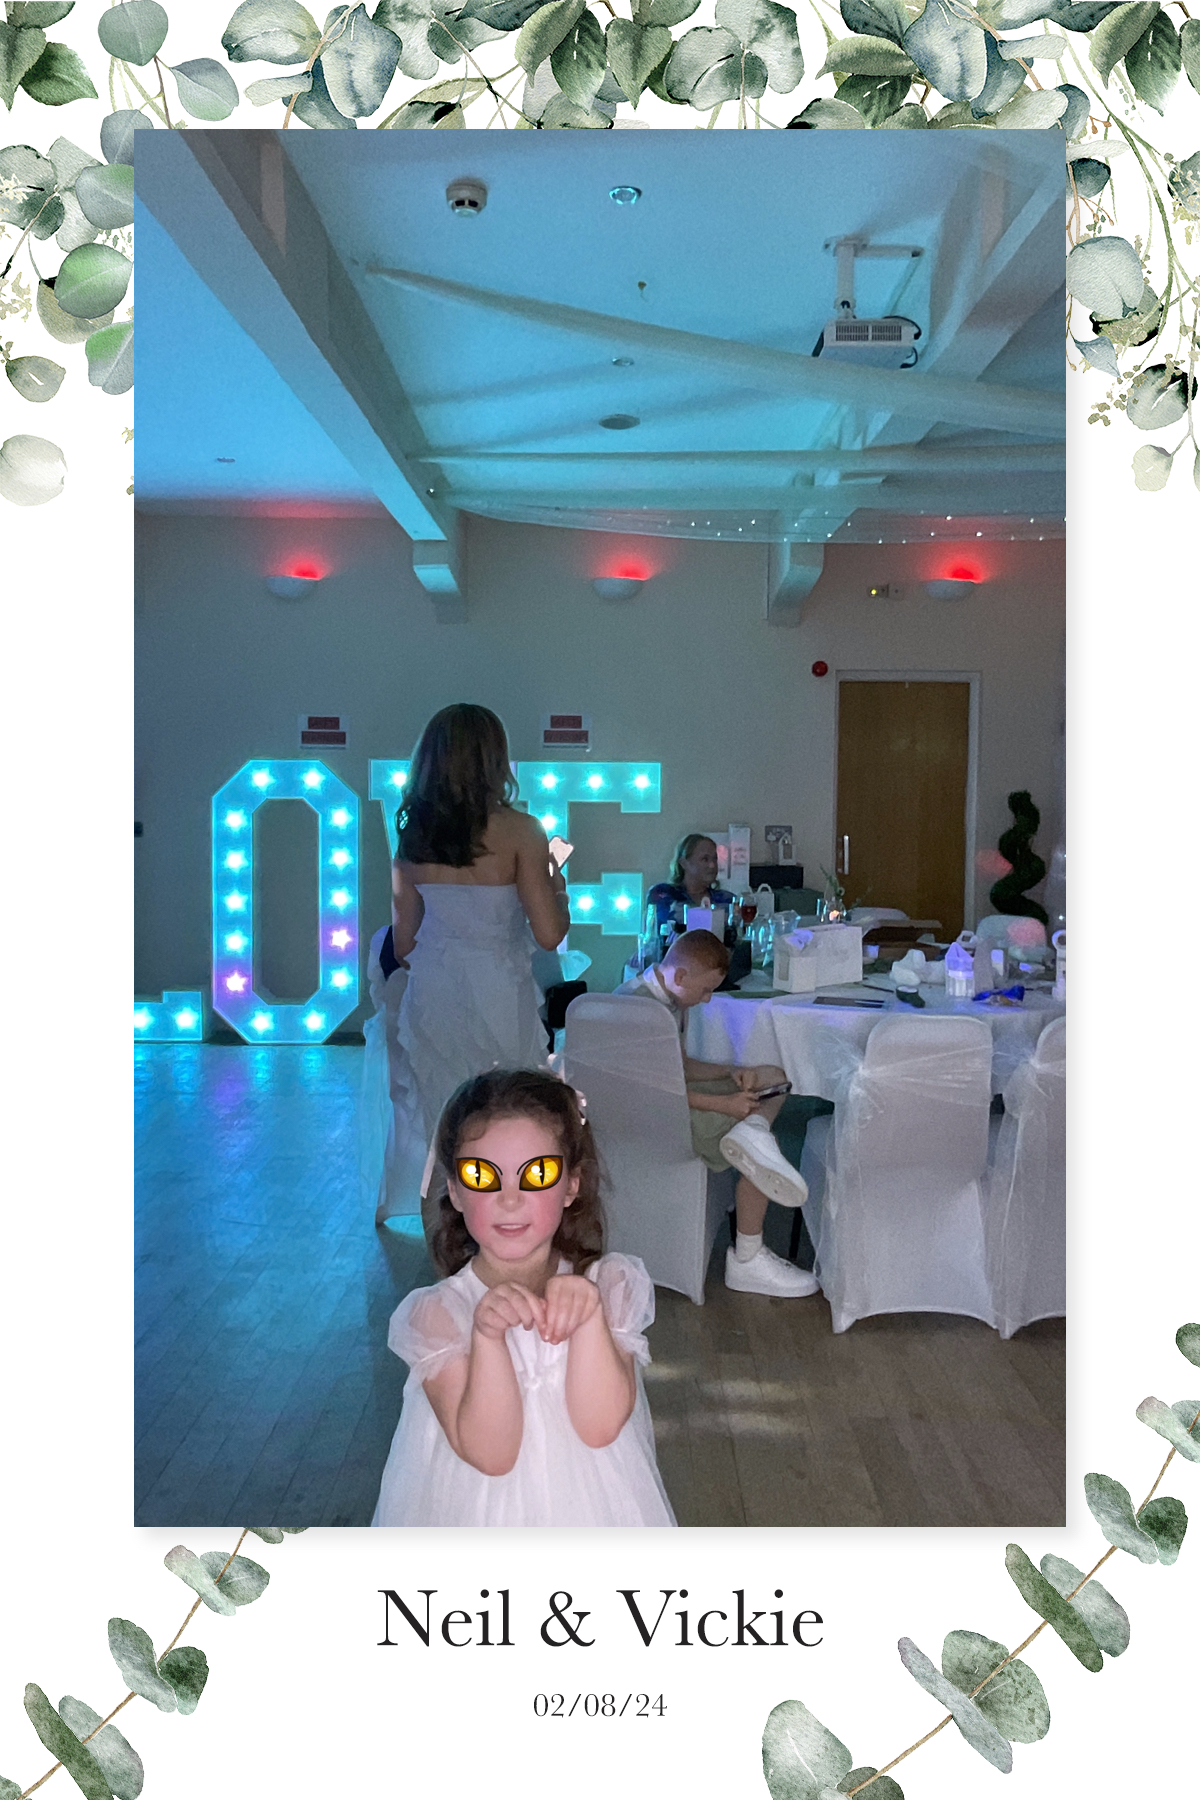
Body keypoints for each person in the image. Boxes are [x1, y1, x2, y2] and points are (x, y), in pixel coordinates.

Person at [372, 1070, 675, 1527]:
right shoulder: (437, 1316)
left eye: (537, 1174)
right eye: (482, 1176)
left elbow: (600, 1427)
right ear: (454, 1190)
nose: (509, 1200)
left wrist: (590, 1318)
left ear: (571, 1185)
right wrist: (487, 1337)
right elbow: (491, 1455)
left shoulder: (610, 1287)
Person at [385, 703, 570, 1232]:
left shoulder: (412, 835)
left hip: (434, 991)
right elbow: (549, 934)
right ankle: (509, 1242)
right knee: (512, 1121)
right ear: (496, 759)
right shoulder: (522, 831)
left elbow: (404, 943)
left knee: (444, 1132)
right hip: (498, 990)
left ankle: (446, 1255)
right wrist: (558, 886)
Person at [616, 930, 820, 1300]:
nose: (708, 999)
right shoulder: (640, 1011)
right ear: (681, 976)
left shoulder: (669, 998)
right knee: (761, 1149)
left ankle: (752, 1131)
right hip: (660, 1118)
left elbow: (678, 1067)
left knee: (772, 1077)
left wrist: (731, 1071)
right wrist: (724, 1105)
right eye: (706, 990)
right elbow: (652, 1091)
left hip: (674, 1099)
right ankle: (748, 1256)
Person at [646, 833, 737, 936]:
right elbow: (656, 932)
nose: (712, 865)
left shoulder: (727, 900)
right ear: (684, 863)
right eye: (705, 859)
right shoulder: (663, 894)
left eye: (714, 859)